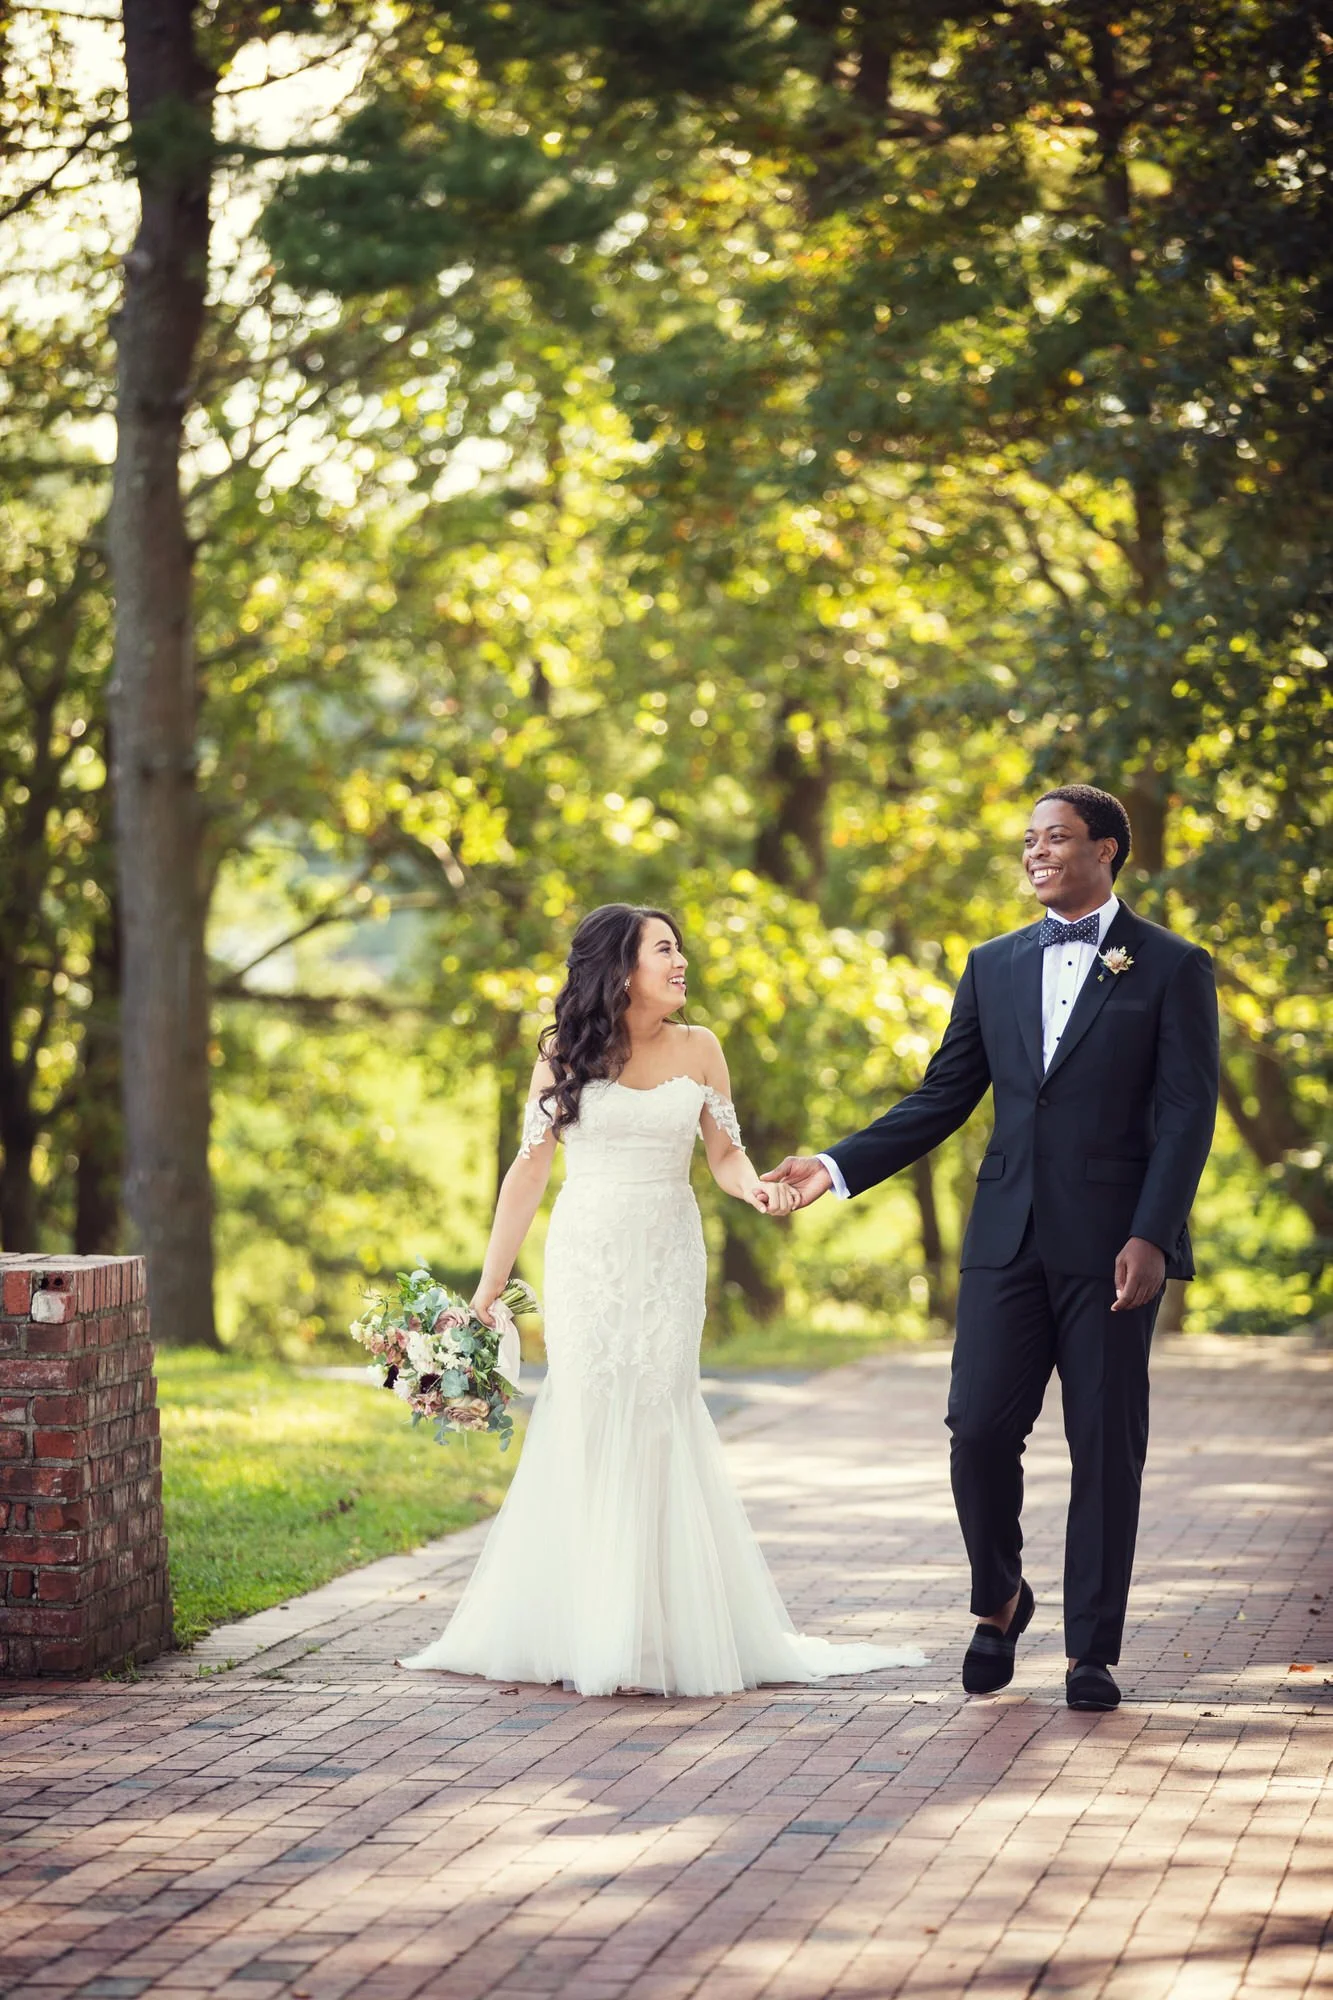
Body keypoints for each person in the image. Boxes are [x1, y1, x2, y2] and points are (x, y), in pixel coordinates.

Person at [763, 785, 1219, 1712]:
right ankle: (999, 1597)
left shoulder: (1172, 967)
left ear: (1106, 849)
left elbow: (1184, 1115)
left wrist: (1151, 1235)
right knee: (975, 1432)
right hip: (1003, 1239)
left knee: (1103, 1448)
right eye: (1027, 841)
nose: (1035, 853)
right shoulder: (992, 965)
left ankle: (1091, 1653)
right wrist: (834, 1166)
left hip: (1111, 1249)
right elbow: (942, 1096)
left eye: (1054, 838)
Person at [400, 903, 926, 1697]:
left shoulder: (701, 1048)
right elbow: (529, 1174)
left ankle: (660, 1626)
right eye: (664, 951)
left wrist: (756, 1191)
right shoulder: (563, 1058)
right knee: (589, 1404)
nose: (681, 964)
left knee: (658, 1404)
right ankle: (581, 1622)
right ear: (620, 968)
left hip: (670, 1250)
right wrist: (487, 1286)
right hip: (588, 1252)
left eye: (680, 950)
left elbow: (724, 1154)